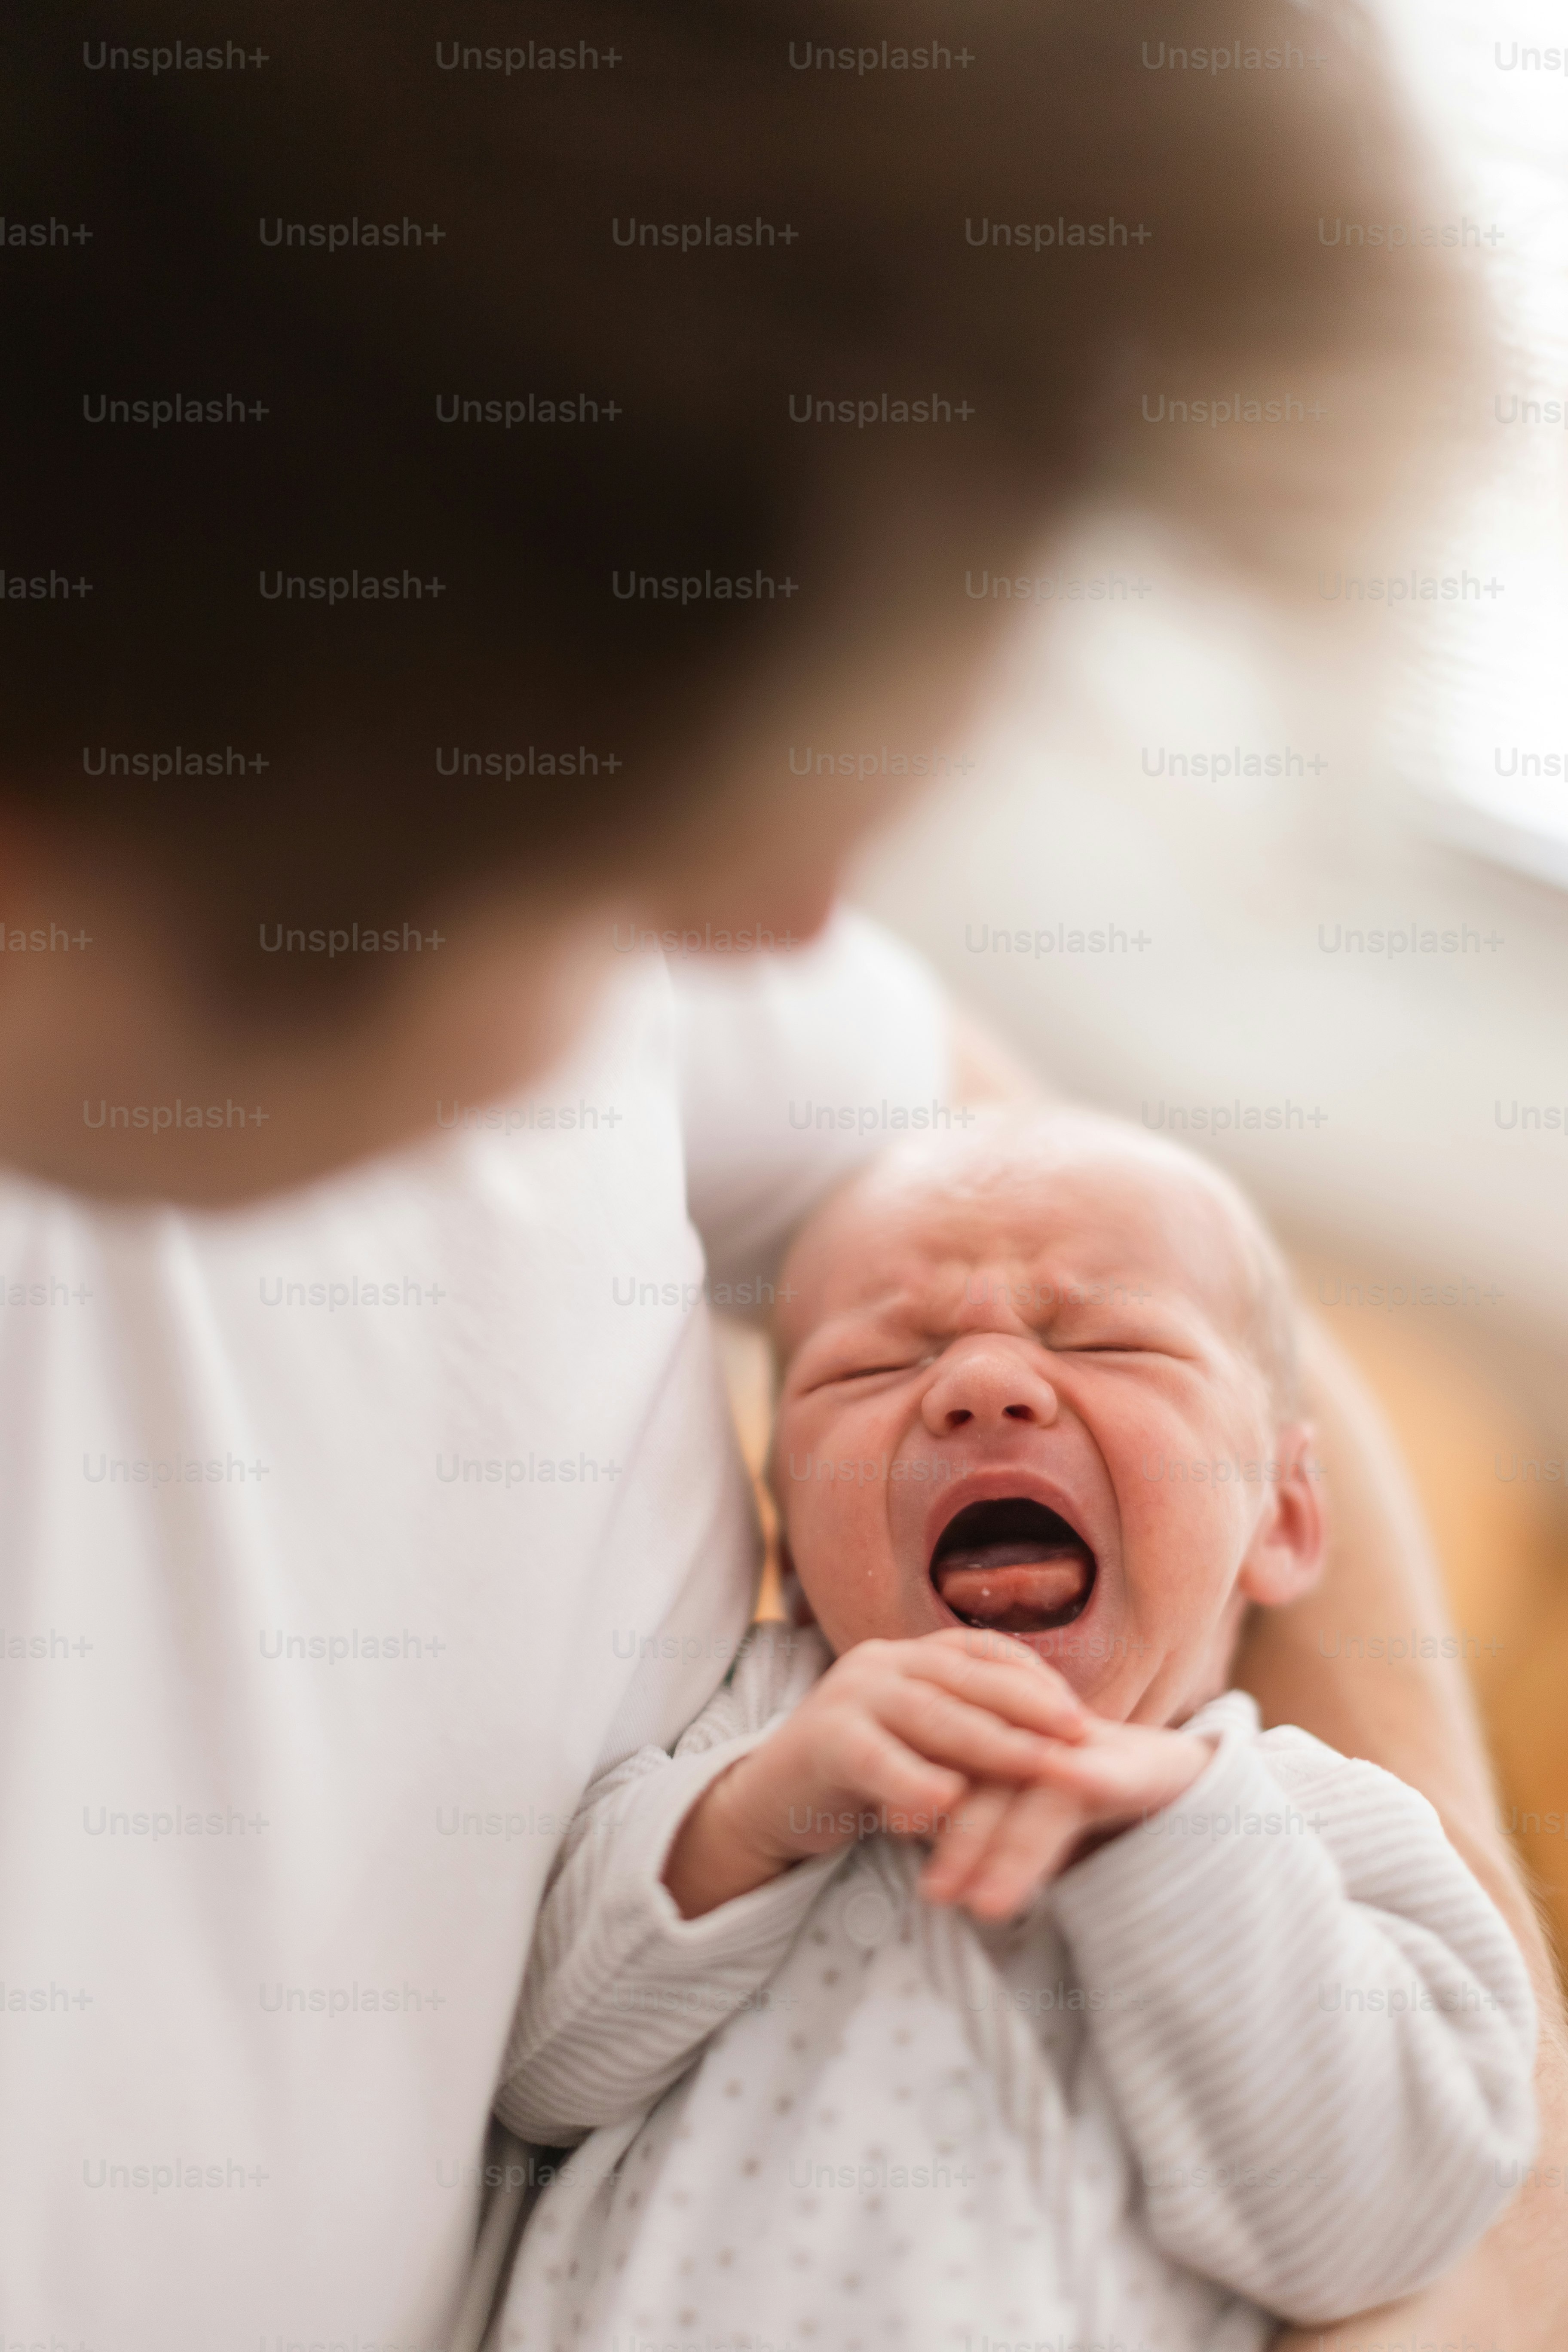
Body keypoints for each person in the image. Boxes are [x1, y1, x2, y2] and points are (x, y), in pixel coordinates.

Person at [0, 3, 1559, 2346]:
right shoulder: (758, 1740)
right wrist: (755, 1819)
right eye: (664, 813)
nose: (782, 926)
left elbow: (1139, 1241)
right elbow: (569, 2037)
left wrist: (1232, 1832)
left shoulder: (1270, 1819)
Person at [493, 1112, 1537, 2351]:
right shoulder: (747, 1735)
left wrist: (1176, 1840)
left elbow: (1379, 2231)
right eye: (871, 1368)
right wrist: (754, 1818)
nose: (983, 1386)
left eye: (1110, 1338)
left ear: (1286, 1514)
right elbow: (542, 2083)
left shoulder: (1334, 1831)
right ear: (788, 1545)